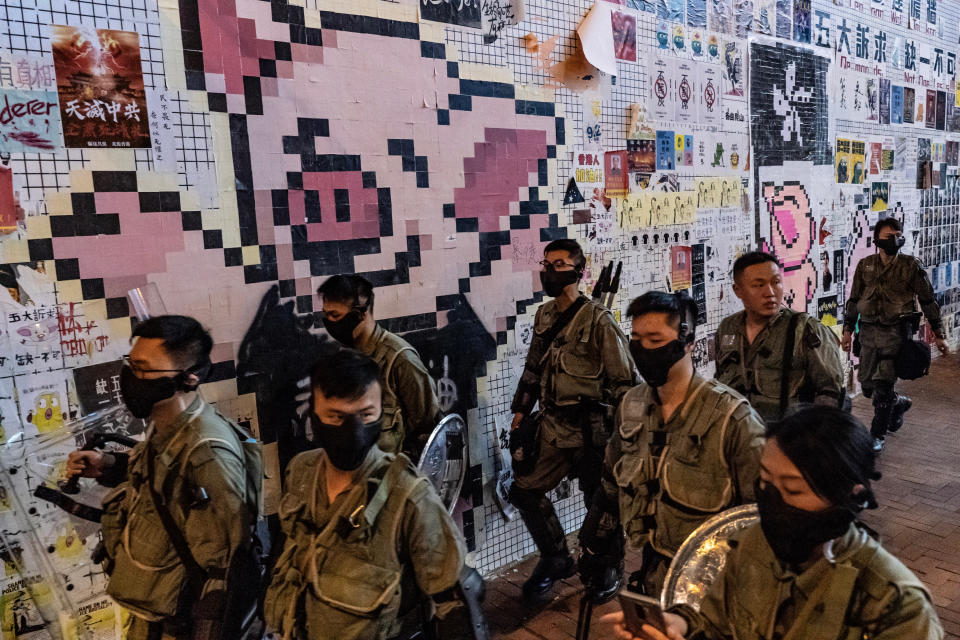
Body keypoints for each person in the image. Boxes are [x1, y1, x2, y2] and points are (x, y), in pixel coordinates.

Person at [601, 405, 944, 640]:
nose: (772, 502)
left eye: (792, 489)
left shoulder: (897, 605)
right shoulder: (752, 543)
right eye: (765, 482)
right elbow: (715, 621)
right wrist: (679, 625)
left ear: (847, 496)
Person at [66, 316, 261, 640]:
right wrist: (109, 465)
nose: (131, 377)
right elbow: (168, 483)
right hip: (152, 617)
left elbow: (227, 567)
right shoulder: (169, 424)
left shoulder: (207, 451)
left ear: (188, 377)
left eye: (144, 369)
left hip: (179, 626)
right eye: (132, 363)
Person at [263, 349, 465, 639]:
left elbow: (455, 605)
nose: (353, 431)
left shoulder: (408, 497)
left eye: (366, 415)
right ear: (314, 414)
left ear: (381, 411)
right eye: (335, 416)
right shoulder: (301, 472)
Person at [578, 291, 765, 599]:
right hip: (654, 572)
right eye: (636, 339)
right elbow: (612, 481)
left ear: (688, 342)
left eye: (655, 340)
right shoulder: (632, 404)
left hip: (713, 584)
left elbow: (759, 517)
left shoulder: (733, 419)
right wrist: (598, 539)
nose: (642, 349)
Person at [509, 238, 636, 600]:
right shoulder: (544, 316)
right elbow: (533, 368)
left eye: (560, 264)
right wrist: (520, 412)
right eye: (546, 263)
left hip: (592, 430)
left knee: (599, 500)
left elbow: (626, 383)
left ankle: (608, 567)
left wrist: (621, 438)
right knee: (523, 489)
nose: (550, 271)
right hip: (553, 427)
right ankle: (555, 558)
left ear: (579, 271)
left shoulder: (600, 321)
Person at [842, 218, 950, 452]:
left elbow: (927, 300)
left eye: (898, 234)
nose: (895, 239)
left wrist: (939, 334)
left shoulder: (911, 266)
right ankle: (898, 403)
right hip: (868, 334)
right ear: (877, 239)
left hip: (896, 333)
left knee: (883, 387)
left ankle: (877, 435)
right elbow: (853, 299)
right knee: (868, 387)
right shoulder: (865, 265)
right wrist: (848, 330)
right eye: (889, 235)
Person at [318, 274, 442, 458]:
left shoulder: (400, 360)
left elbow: (430, 433)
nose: (329, 322)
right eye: (325, 315)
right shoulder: (343, 359)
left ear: (361, 313)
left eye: (335, 315)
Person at [714, 251, 845, 423]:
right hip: (738, 437)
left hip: (786, 438)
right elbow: (720, 380)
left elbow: (830, 393)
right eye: (758, 285)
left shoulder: (805, 329)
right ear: (738, 290)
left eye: (776, 282)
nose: (770, 292)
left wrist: (812, 435)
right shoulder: (728, 327)